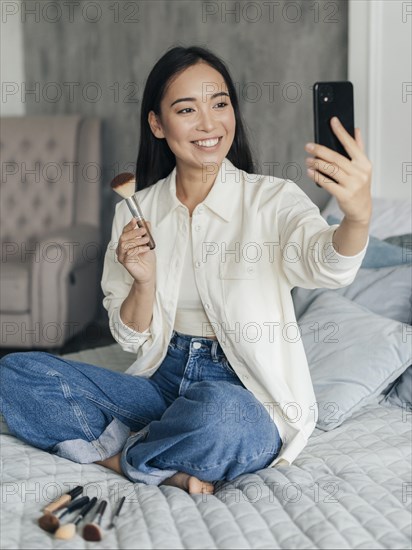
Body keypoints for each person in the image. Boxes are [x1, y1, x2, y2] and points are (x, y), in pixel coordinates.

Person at [0, 46, 372, 495]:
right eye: (186, 109)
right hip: (161, 380)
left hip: (241, 391)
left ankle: (127, 457)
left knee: (219, 417)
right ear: (158, 124)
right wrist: (144, 280)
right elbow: (130, 338)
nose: (209, 124)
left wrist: (357, 218)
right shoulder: (137, 209)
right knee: (17, 371)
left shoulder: (272, 200)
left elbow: (328, 264)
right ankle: (158, 459)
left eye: (220, 104)